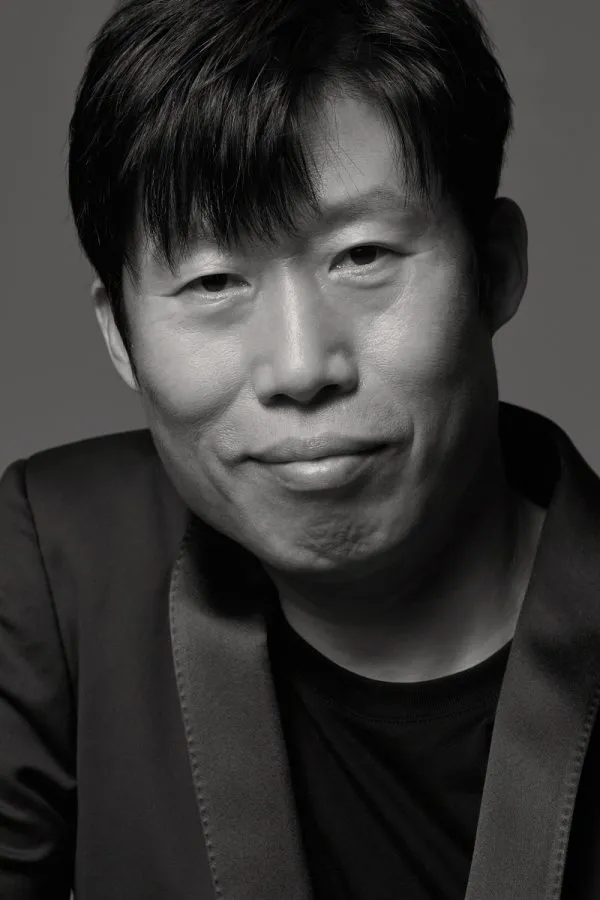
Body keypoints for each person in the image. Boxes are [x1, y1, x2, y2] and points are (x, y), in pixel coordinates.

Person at [1, 0, 600, 897]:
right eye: (213, 280)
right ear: (120, 335)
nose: (300, 367)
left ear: (497, 268)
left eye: (362, 257)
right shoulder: (58, 567)